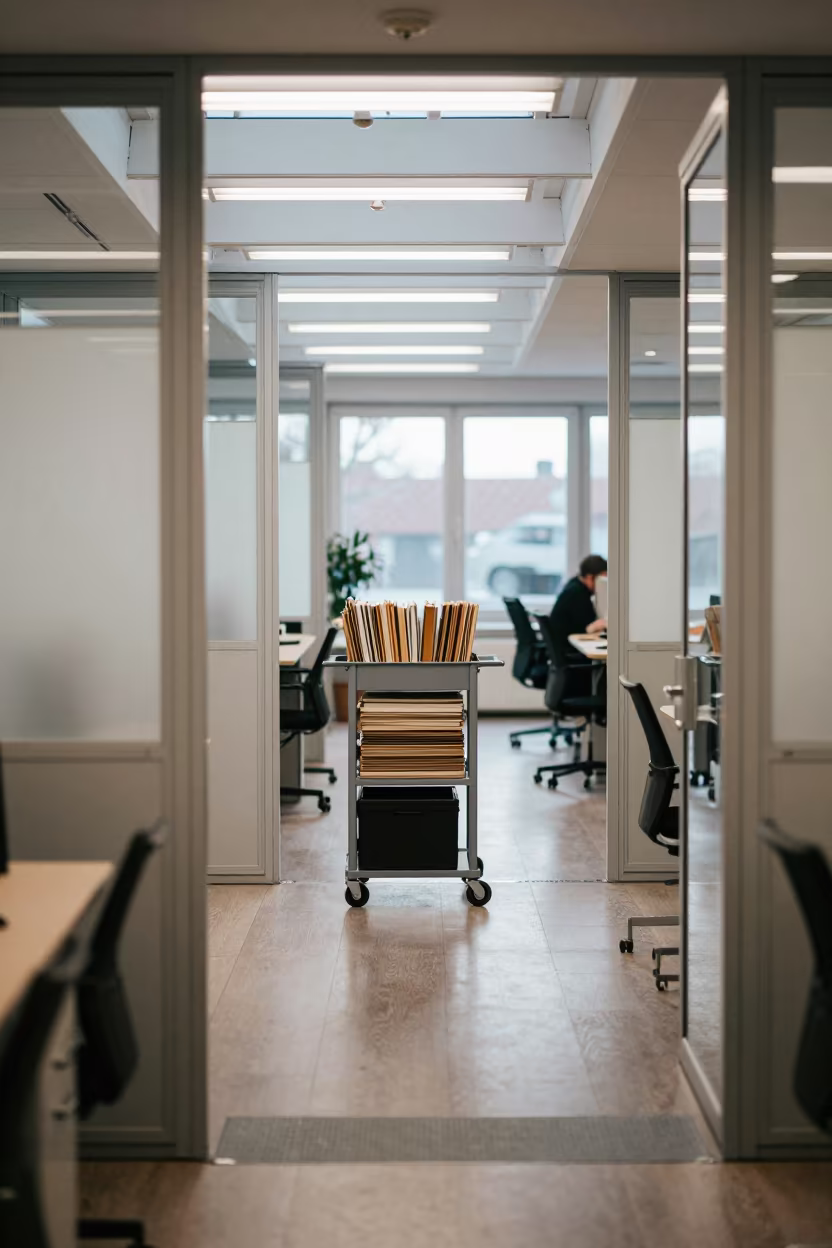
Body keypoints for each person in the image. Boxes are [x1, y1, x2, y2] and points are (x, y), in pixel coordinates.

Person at [548, 554, 607, 668]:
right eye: (602, 578)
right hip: (569, 653)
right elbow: (585, 628)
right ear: (590, 577)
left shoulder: (574, 585)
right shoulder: (578, 594)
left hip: (562, 653)